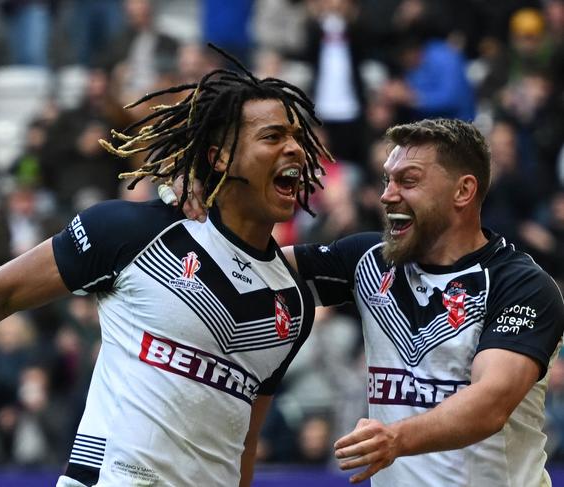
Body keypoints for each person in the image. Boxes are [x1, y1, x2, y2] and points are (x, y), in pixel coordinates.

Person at [0, 46, 333, 486]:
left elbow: (242, 446)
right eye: (272, 136)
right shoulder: (132, 232)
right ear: (220, 158)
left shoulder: (291, 301)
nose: (295, 149)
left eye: (297, 136)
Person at [168, 117, 564, 485]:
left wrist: (396, 438)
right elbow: (249, 265)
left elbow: (490, 404)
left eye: (408, 181)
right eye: (386, 181)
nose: (388, 196)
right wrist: (209, 194)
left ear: (463, 190)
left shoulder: (521, 285)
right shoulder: (368, 261)